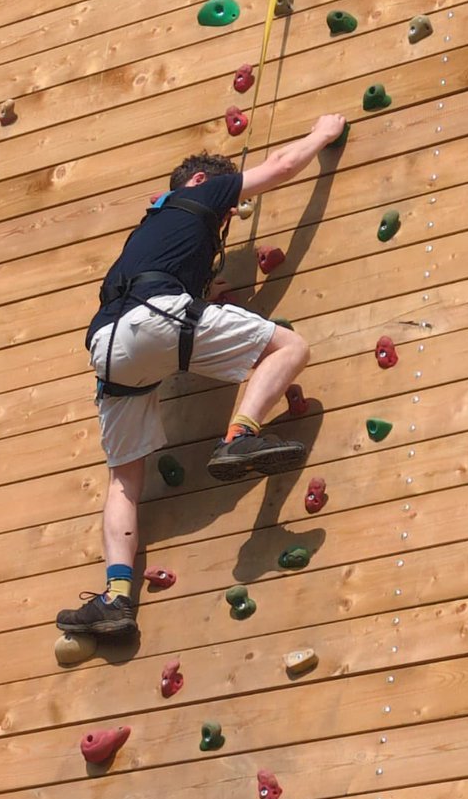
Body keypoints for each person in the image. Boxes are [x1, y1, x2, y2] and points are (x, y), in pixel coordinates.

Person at [55, 113, 346, 639]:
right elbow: (280, 167)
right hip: (156, 321)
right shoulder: (201, 193)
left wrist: (204, 289)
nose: (229, 211)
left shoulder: (151, 229)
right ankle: (239, 436)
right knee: (290, 347)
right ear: (198, 181)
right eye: (227, 204)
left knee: (124, 479)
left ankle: (116, 598)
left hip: (109, 347)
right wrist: (322, 135)